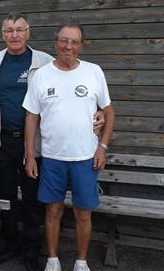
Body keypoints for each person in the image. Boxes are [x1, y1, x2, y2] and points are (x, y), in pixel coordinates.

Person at [0, 13, 105, 271]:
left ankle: (31, 250)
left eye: (19, 29)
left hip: (36, 143)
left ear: (28, 32)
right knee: (6, 196)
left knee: (32, 199)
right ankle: (10, 245)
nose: (14, 35)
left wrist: (101, 113)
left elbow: (70, 91)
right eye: (9, 30)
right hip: (3, 140)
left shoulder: (45, 61)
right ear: (2, 34)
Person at [23, 23, 115, 271]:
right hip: (52, 157)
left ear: (81, 45)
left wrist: (102, 147)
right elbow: (31, 117)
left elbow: (108, 111)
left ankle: (81, 262)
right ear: (56, 43)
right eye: (64, 41)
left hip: (86, 157)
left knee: (83, 213)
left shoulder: (93, 72)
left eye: (74, 42)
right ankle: (53, 260)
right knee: (52, 210)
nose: (68, 46)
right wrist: (30, 155)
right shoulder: (41, 75)